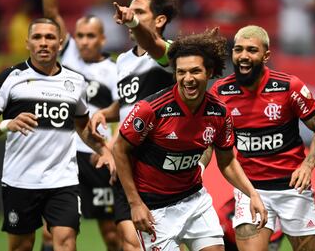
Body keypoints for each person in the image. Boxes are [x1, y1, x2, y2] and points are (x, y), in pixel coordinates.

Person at [112, 28, 267, 251]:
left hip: (195, 201)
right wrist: (134, 204)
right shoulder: (150, 109)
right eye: (181, 72)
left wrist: (252, 194)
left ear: (209, 72)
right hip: (154, 208)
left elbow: (227, 161)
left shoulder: (219, 112)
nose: (188, 79)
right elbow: (120, 150)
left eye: (195, 71)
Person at [0, 18, 114, 251]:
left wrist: (104, 150)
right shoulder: (10, 78)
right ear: (28, 43)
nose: (43, 43)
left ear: (59, 43)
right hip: (20, 180)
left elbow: (82, 127)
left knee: (66, 242)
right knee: (22, 246)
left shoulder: (75, 82)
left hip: (63, 180)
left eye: (49, 37)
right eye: (37, 37)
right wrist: (7, 124)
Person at [209, 25, 315, 251]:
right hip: (251, 190)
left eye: (252, 50)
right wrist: (198, 168)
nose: (244, 56)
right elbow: (210, 139)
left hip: (293, 189)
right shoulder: (221, 92)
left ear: (266, 55)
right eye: (238, 49)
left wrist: (307, 165)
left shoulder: (289, 86)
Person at [90, 0, 178, 250]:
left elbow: (152, 44)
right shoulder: (123, 61)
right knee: (128, 241)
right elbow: (129, 106)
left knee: (164, 242)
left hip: (158, 163)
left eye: (139, 11)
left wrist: (131, 20)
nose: (130, 16)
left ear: (160, 20)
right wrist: (107, 123)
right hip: (128, 162)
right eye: (131, 11)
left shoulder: (170, 53)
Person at [42, 0, 120, 250]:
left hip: (97, 156)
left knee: (111, 233)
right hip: (64, 155)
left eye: (90, 36)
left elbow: (126, 113)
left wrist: (110, 148)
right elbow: (51, 11)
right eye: (80, 36)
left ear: (102, 39)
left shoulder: (116, 70)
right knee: (51, 232)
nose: (84, 41)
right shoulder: (69, 56)